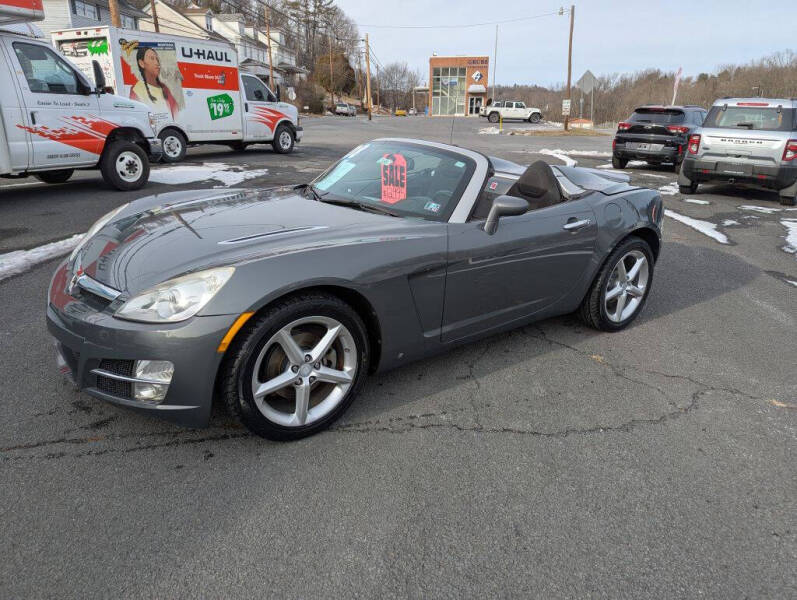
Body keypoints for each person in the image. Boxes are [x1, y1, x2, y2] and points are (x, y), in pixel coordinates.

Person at [129, 47, 178, 118]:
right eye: (152, 58)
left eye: (157, 59)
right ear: (141, 63)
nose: (157, 63)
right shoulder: (136, 90)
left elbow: (175, 115)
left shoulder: (164, 88)